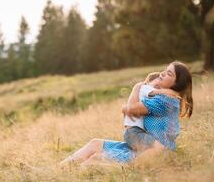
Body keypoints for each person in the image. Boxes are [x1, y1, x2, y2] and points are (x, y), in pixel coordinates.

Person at [60, 61, 193, 166]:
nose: (163, 74)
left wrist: (136, 87)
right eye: (165, 70)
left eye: (169, 74)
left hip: (153, 153)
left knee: (94, 161)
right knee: (95, 143)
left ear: (177, 84)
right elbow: (127, 109)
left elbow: (130, 109)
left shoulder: (167, 100)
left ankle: (74, 171)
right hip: (143, 146)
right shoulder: (159, 96)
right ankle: (60, 168)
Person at [123, 72, 178, 152]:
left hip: (133, 132)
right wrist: (168, 92)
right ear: (148, 82)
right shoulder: (144, 87)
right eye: (156, 86)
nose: (158, 89)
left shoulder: (144, 95)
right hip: (134, 132)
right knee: (160, 149)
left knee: (151, 150)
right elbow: (154, 92)